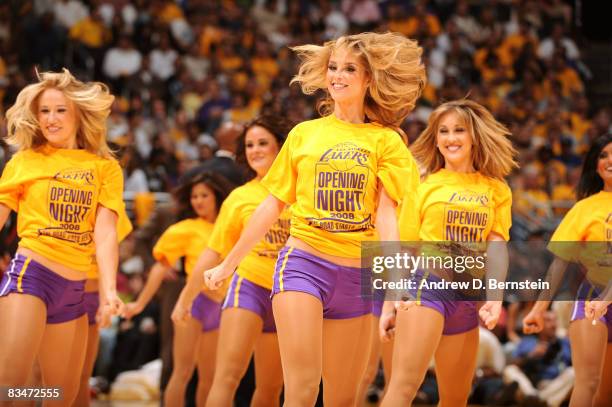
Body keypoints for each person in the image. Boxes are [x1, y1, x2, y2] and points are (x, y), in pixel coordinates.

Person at [203, 32, 425, 406]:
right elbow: (272, 204)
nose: (338, 75)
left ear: (369, 78)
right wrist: (229, 263)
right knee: (302, 390)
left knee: (342, 399)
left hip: (357, 275)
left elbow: (387, 214)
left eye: (349, 68)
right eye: (333, 67)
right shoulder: (304, 134)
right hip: (303, 264)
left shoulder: (386, 141)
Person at [0, 69, 128, 405]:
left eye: (60, 110)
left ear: (78, 115)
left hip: (73, 290)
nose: (51, 119)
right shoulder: (25, 161)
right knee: (9, 386)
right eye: (44, 111)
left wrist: (110, 290)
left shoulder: (105, 168)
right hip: (32, 276)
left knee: (63, 394)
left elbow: (105, 233)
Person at [380, 99, 518, 406]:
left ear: (474, 136)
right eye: (443, 131)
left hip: (468, 298)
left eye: (459, 130)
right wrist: (390, 305)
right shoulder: (423, 185)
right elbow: (405, 248)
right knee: (403, 388)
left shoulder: (496, 188)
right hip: (427, 287)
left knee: (457, 398)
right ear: (435, 137)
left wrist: (495, 300)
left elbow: (497, 247)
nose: (450, 138)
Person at [173, 115, 293, 407]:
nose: (255, 150)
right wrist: (185, 298)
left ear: (281, 147)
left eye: (263, 142)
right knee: (226, 377)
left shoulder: (301, 193)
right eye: (250, 144)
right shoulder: (240, 197)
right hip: (248, 288)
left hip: (287, 296)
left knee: (271, 388)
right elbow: (213, 252)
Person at [123, 171, 233, 407]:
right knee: (182, 372)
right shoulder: (185, 228)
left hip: (221, 305)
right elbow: (159, 269)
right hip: (194, 303)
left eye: (204, 195)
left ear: (217, 197)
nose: (198, 201)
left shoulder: (230, 227)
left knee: (210, 377)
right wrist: (140, 304)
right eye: (194, 197)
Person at [523, 133, 612, 406]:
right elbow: (559, 263)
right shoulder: (584, 208)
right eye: (603, 155)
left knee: (606, 396)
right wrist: (538, 309)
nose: (610, 160)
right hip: (592, 298)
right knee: (588, 384)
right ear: (595, 165)